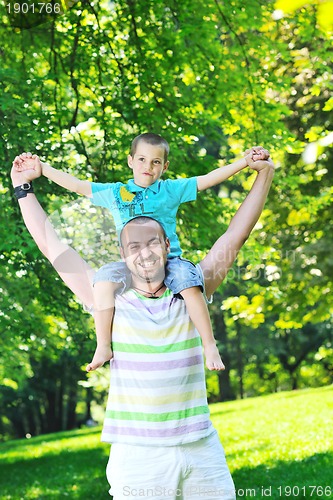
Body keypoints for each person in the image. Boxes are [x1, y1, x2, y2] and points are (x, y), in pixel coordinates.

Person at [11, 151, 275, 499]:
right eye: (133, 246)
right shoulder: (109, 300)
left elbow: (235, 235)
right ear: (123, 256)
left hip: (201, 448)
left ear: (167, 246)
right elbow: (52, 246)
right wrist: (22, 186)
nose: (145, 252)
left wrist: (264, 173)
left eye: (153, 242)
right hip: (138, 454)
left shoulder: (191, 289)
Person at [14, 135, 268, 372]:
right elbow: (79, 186)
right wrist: (42, 169)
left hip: (172, 263)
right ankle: (103, 345)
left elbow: (209, 180)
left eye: (156, 162)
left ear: (164, 166)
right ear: (131, 161)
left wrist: (245, 163)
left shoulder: (170, 190)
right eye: (142, 160)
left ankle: (210, 344)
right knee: (102, 279)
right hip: (127, 268)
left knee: (191, 284)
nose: (148, 166)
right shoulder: (115, 193)